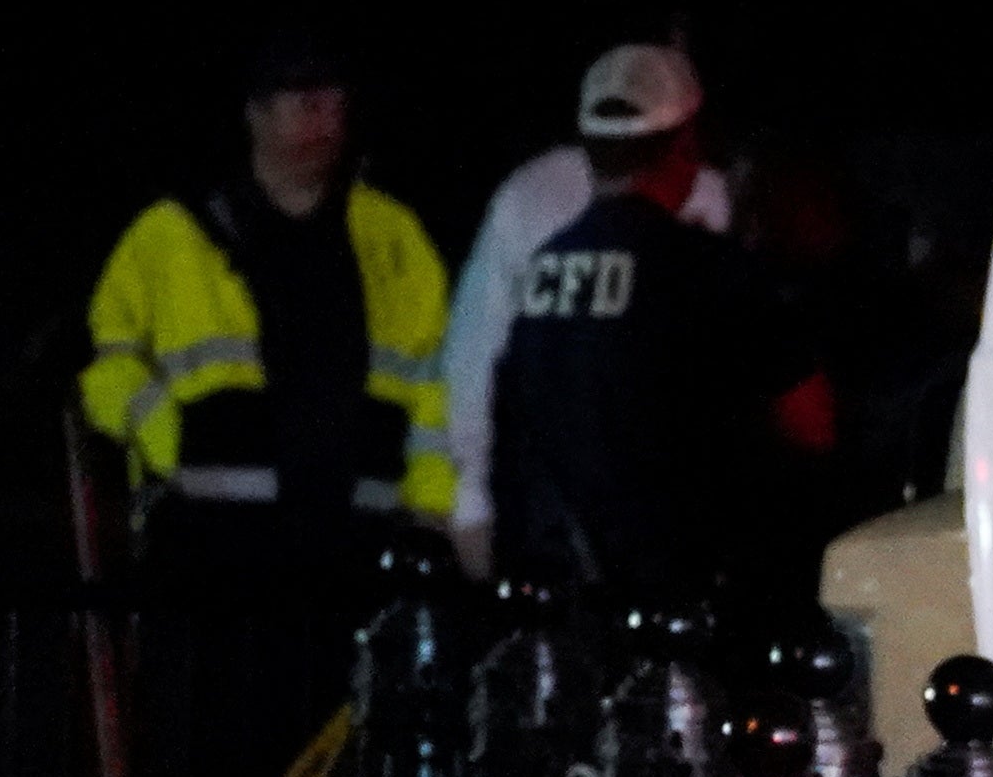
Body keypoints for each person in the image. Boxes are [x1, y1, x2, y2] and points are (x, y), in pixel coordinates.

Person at [79, 31, 457, 576]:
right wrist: (174, 440)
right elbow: (108, 366)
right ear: (254, 113)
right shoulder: (173, 234)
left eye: (334, 98)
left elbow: (437, 383)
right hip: (211, 542)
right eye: (304, 97)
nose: (325, 114)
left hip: (356, 543)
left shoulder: (393, 237)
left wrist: (429, 512)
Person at [483, 45, 827, 618]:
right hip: (684, 613)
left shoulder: (543, 272)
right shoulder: (713, 272)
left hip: (561, 603)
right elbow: (811, 424)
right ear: (686, 142)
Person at [439, 40, 736, 573]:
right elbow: (473, 367)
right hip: (591, 537)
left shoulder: (534, 201)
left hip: (600, 532)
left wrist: (471, 508)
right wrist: (473, 509)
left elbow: (472, 363)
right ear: (688, 134)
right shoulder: (533, 198)